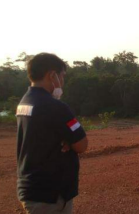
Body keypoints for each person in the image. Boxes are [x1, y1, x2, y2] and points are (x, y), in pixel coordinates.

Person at [16, 53, 88, 214]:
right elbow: (82, 144)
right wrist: (70, 141)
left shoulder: (25, 102)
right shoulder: (56, 107)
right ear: (52, 75)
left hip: (31, 187)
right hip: (50, 192)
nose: (62, 81)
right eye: (62, 76)